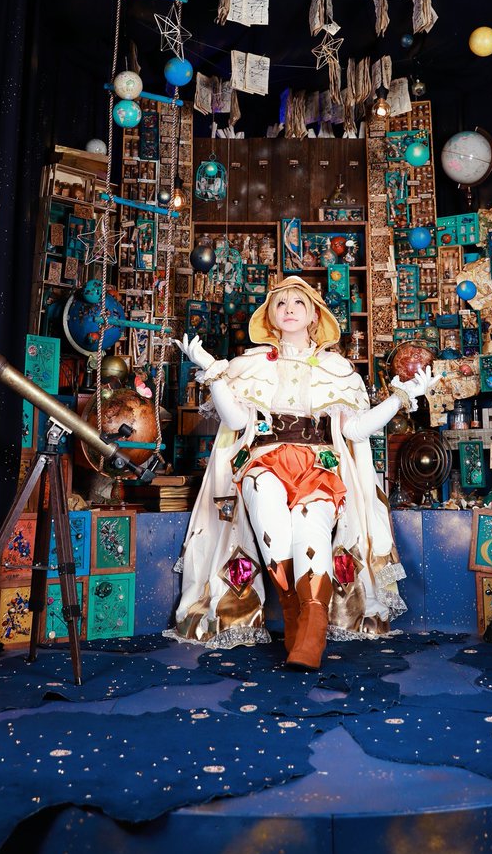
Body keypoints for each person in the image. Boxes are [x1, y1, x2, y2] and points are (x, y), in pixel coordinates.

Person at [171, 276, 429, 670]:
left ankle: (310, 629)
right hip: (264, 460)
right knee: (270, 518)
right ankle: (298, 618)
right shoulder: (248, 365)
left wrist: (400, 397)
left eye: (298, 303)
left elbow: (356, 430)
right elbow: (236, 420)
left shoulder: (338, 369)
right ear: (270, 316)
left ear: (314, 315)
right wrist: (213, 371)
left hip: (319, 466)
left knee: (310, 531)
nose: (289, 309)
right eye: (281, 303)